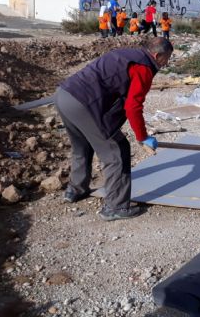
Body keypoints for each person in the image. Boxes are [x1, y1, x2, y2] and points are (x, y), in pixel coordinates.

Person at [54, 37, 174, 221]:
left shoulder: (127, 55)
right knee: (117, 150)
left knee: (82, 146)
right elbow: (133, 107)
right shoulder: (143, 68)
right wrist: (142, 137)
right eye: (167, 58)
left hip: (64, 96)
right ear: (157, 55)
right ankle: (115, 207)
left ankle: (75, 190)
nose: (166, 63)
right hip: (85, 105)